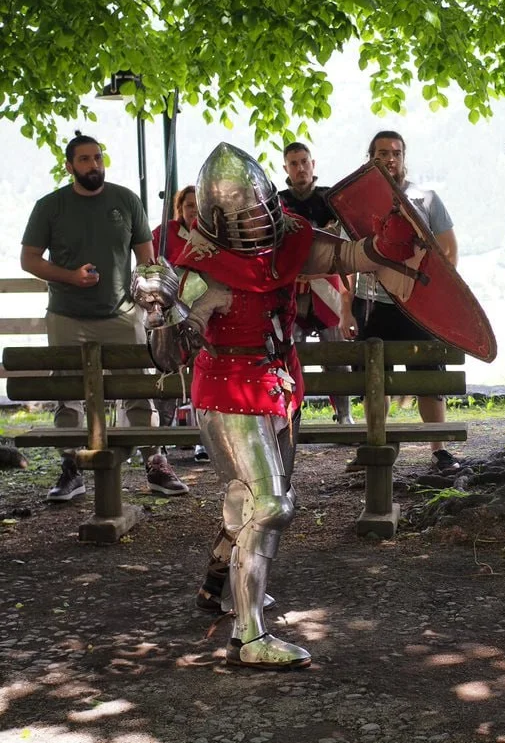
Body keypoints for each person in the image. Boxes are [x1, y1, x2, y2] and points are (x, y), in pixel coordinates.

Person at [131, 142, 423, 669]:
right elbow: (168, 355)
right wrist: (164, 312)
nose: (257, 225)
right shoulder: (199, 268)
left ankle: (217, 587)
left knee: (249, 501)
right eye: (243, 218)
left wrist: (385, 242)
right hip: (227, 389)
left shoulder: (289, 240)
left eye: (260, 212)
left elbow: (348, 255)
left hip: (279, 384)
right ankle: (248, 637)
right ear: (219, 220)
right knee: (270, 506)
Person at [20, 132, 188, 502]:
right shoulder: (50, 206)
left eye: (98, 157)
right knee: (69, 393)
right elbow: (29, 260)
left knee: (140, 389)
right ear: (69, 166)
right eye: (84, 159)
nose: (93, 164)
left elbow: (146, 261)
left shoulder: (126, 200)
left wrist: (155, 295)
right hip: (66, 315)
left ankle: (154, 461)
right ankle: (72, 468)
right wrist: (70, 277)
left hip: (122, 314)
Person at [349, 131, 461, 475]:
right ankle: (376, 444)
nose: (390, 159)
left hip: (416, 304)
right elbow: (347, 259)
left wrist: (434, 297)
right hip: (370, 302)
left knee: (427, 376)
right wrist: (343, 310)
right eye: (383, 153)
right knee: (373, 378)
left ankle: (439, 451)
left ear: (403, 157)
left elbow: (448, 250)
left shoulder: (425, 199)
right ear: (371, 157)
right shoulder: (356, 202)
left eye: (396, 153)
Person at [278, 142, 353, 425]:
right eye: (294, 163)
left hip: (326, 286)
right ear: (286, 168)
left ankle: (344, 415)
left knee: (336, 355)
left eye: (304, 162)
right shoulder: (277, 202)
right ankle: (289, 416)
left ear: (313, 164)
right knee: (287, 354)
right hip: (291, 288)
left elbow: (342, 237)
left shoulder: (330, 198)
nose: (300, 168)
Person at [152, 186, 209, 463]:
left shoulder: (214, 233)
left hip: (205, 312)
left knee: (204, 375)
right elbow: (150, 265)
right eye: (188, 205)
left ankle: (205, 439)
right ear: (180, 208)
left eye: (198, 205)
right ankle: (162, 439)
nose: (193, 211)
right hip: (171, 313)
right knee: (167, 371)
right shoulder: (164, 235)